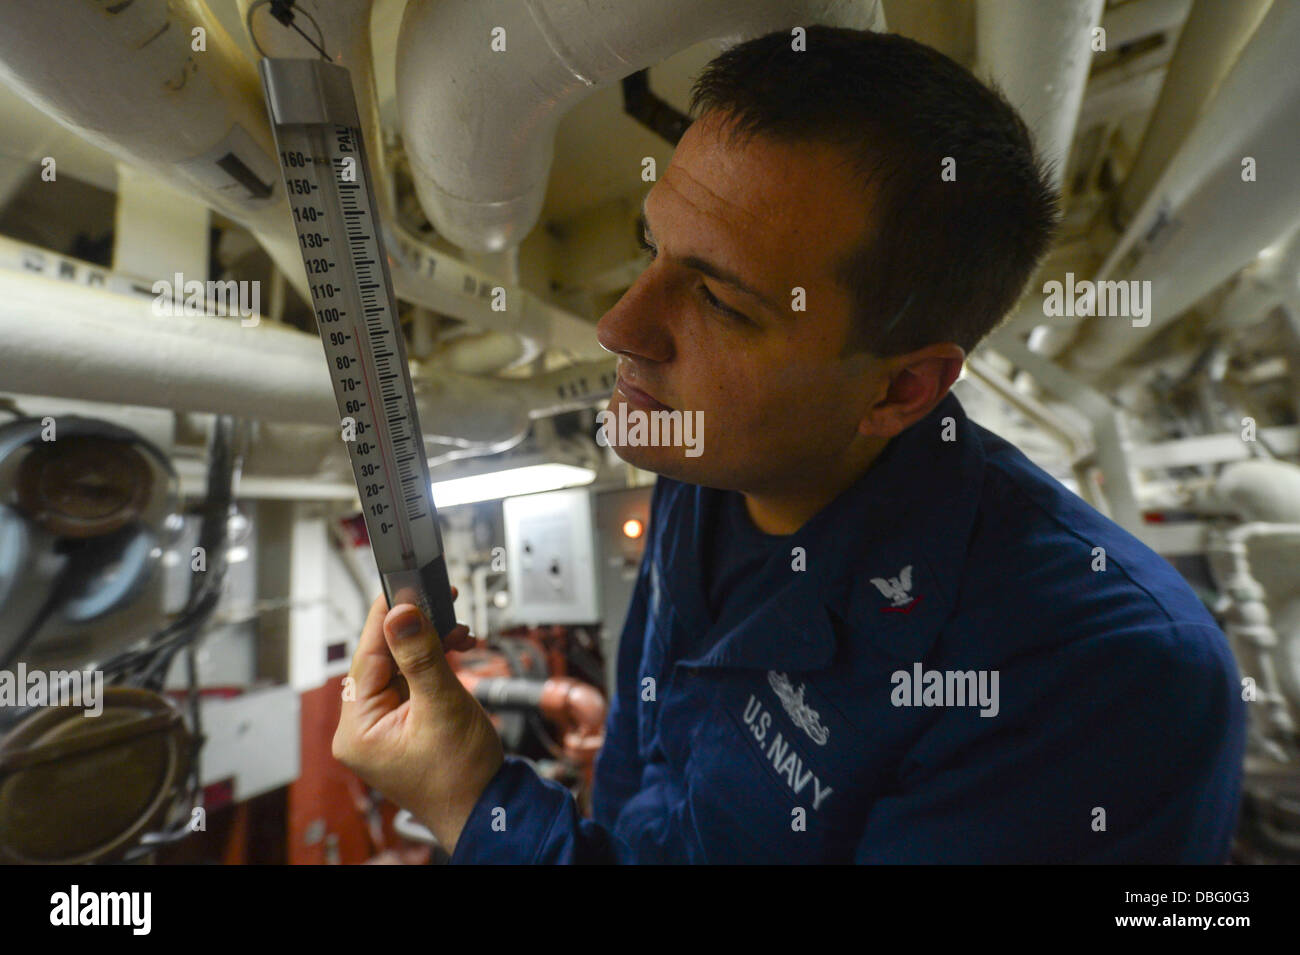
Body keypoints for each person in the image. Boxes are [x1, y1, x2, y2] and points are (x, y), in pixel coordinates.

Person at [333, 26, 1246, 863]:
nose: (619, 327)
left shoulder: (1106, 681)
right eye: (651, 246)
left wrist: (477, 806)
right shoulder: (713, 468)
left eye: (724, 303)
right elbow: (649, 787)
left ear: (900, 388)